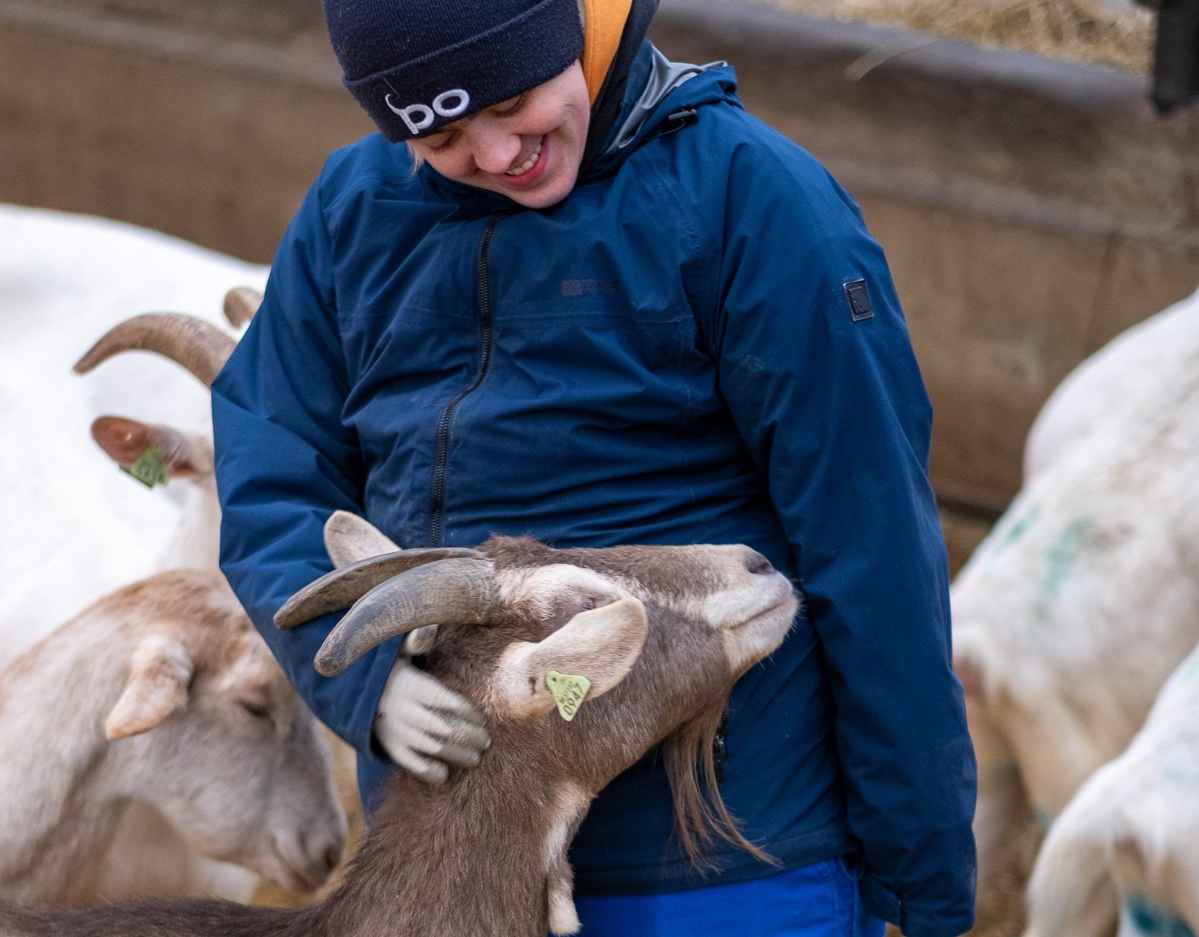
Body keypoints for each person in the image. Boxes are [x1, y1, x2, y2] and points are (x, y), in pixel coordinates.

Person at [211, 0, 977, 934]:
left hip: (726, 856)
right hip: (456, 864)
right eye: (442, 134)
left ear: (573, 36)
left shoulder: (746, 196)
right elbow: (271, 476)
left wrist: (922, 876)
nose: (498, 155)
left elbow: (874, 544)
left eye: (516, 101)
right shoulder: (353, 210)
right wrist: (363, 686)